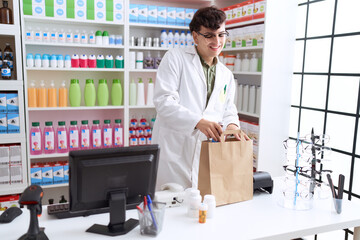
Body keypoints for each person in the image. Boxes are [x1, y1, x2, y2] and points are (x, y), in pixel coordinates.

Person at [152, 6, 249, 190]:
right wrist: (198, 121)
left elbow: (228, 108)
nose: (217, 41)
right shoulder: (175, 58)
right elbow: (164, 102)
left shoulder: (226, 74)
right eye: (209, 35)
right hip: (175, 151)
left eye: (221, 34)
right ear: (195, 37)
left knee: (202, 206)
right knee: (172, 205)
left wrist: (232, 125)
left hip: (207, 151)